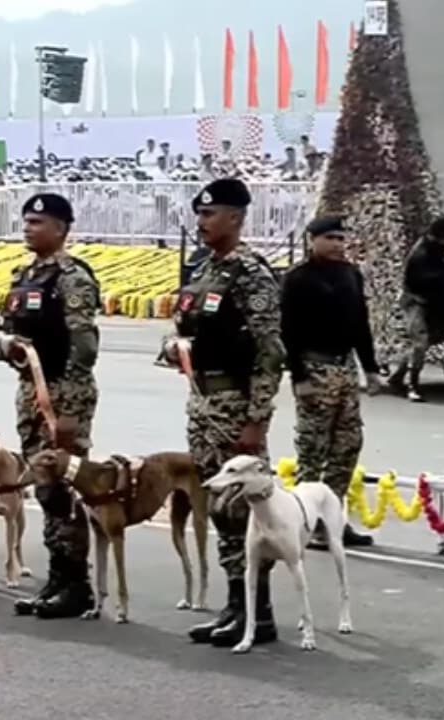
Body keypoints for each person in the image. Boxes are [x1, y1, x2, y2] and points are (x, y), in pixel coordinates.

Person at [174, 178, 284, 648]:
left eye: (210, 214)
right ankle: (235, 605)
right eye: (199, 214)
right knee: (220, 509)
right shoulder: (202, 270)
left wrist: (256, 420)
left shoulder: (251, 274)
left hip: (235, 406)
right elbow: (191, 331)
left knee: (243, 512)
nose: (202, 222)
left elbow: (268, 352)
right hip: (203, 401)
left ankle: (258, 614)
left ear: (236, 218)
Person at [0, 193, 100, 619]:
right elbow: (5, 331)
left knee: (65, 488)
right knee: (44, 486)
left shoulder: (72, 278)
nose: (28, 228)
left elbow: (83, 346)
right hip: (30, 392)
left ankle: (76, 584)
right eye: (26, 220)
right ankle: (58, 578)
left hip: (61, 394)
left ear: (60, 229)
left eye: (38, 221)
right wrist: (6, 346)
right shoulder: (25, 276)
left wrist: (69, 410)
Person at [281, 215, 382, 548]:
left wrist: (370, 368)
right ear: (312, 240)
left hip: (345, 368)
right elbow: (288, 332)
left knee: (347, 445)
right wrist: (299, 376)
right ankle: (306, 522)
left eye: (341, 238)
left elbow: (360, 324)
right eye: (330, 238)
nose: (338, 244)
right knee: (313, 449)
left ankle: (332, 518)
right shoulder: (297, 279)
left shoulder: (349, 274)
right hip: (315, 367)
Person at [389, 216, 444, 401]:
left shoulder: (436, 250)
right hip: (415, 300)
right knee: (420, 343)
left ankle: (397, 377)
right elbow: (424, 283)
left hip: (427, 300)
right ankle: (413, 385)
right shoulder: (421, 255)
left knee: (422, 343)